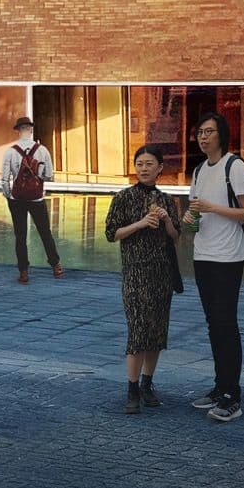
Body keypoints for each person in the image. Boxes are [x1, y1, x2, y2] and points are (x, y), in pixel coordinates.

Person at [184, 112, 244, 423]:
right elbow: (195, 212)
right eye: (200, 132)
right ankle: (220, 386)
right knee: (214, 324)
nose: (203, 137)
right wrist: (189, 220)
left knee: (226, 324)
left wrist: (213, 208)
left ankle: (232, 395)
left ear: (221, 135)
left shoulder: (234, 166)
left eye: (210, 131)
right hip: (203, 254)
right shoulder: (199, 170)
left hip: (228, 257)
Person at [104, 146, 181, 413]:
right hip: (135, 274)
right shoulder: (123, 197)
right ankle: (132, 389)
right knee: (137, 331)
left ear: (160, 167)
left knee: (157, 332)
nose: (144, 168)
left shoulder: (167, 199)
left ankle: (148, 384)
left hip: (162, 274)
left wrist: (167, 219)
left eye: (149, 163)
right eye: (139, 163)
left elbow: (175, 236)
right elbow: (112, 234)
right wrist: (140, 223)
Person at [0, 115, 62, 282]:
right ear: (31, 130)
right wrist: (38, 173)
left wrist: (9, 196)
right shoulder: (42, 150)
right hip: (36, 199)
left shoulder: (10, 152)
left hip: (17, 199)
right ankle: (56, 267)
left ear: (18, 131)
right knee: (45, 233)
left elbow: (4, 180)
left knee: (20, 236)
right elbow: (49, 176)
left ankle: (23, 272)